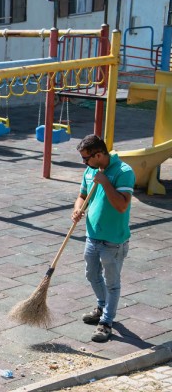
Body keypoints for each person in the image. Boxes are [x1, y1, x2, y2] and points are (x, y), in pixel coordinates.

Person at [72, 134, 135, 343]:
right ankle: (102, 306)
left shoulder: (124, 172)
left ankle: (106, 322)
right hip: (92, 235)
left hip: (113, 240)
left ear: (98, 155)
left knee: (112, 283)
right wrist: (78, 209)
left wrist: (105, 182)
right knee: (91, 274)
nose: (84, 163)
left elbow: (121, 205)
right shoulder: (90, 171)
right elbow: (81, 195)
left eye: (86, 158)